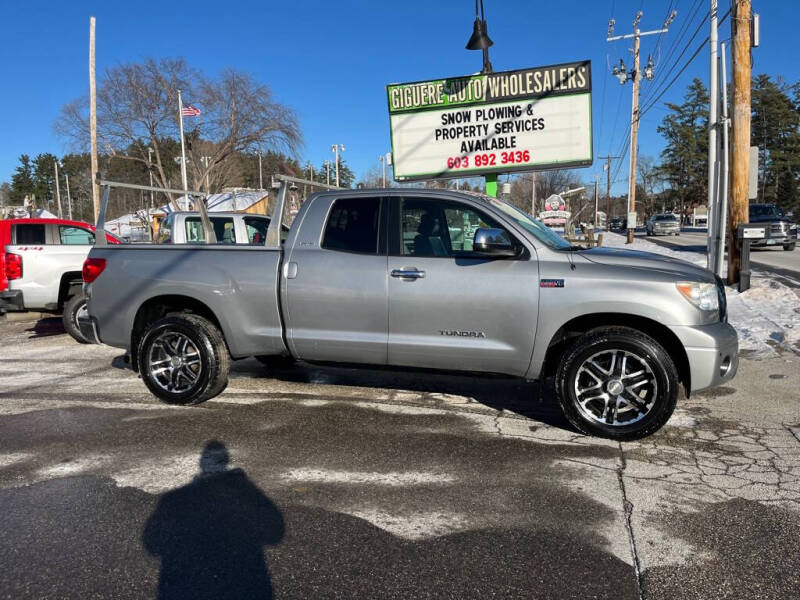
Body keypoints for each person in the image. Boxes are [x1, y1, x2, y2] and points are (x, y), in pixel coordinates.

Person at [143, 441, 284, 600]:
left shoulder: (175, 501)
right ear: (226, 463)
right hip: (242, 590)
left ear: (202, 465)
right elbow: (275, 531)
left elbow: (152, 543)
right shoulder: (247, 499)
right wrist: (246, 488)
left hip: (187, 590)